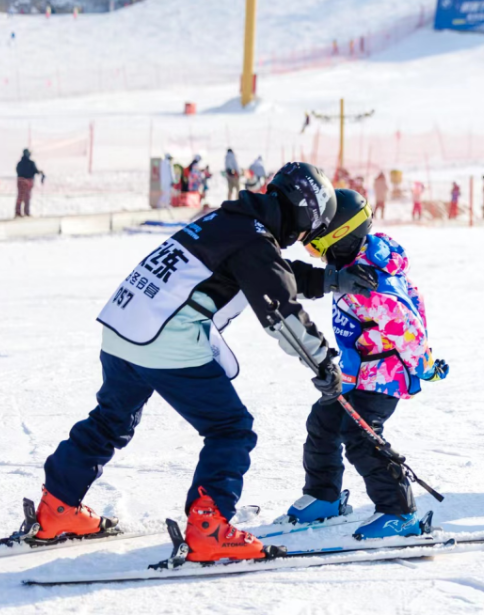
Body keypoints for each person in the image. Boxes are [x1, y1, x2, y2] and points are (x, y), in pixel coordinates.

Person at [11, 163, 366, 563]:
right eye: (308, 229)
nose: (302, 238)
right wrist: (322, 363)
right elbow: (278, 307)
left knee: (110, 420)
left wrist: (329, 281)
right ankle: (209, 527)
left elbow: (268, 272)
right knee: (230, 429)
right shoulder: (253, 239)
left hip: (122, 326)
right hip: (165, 338)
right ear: (304, 213)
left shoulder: (227, 220)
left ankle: (58, 508)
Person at [279, 190, 448, 538]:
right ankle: (323, 496)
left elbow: (410, 333)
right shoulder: (349, 269)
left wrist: (426, 367)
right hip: (356, 372)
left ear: (341, 238)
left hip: (384, 376)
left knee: (361, 436)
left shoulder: (375, 288)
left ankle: (399, 514)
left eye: (318, 247)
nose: (317, 255)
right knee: (323, 422)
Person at [15, 148, 44, 218]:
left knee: (20, 197)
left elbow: (17, 170)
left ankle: (18, 212)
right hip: (28, 180)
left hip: (21, 180)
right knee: (26, 197)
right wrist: (40, 172)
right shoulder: (31, 163)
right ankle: (26, 212)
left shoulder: (20, 163)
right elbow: (35, 171)